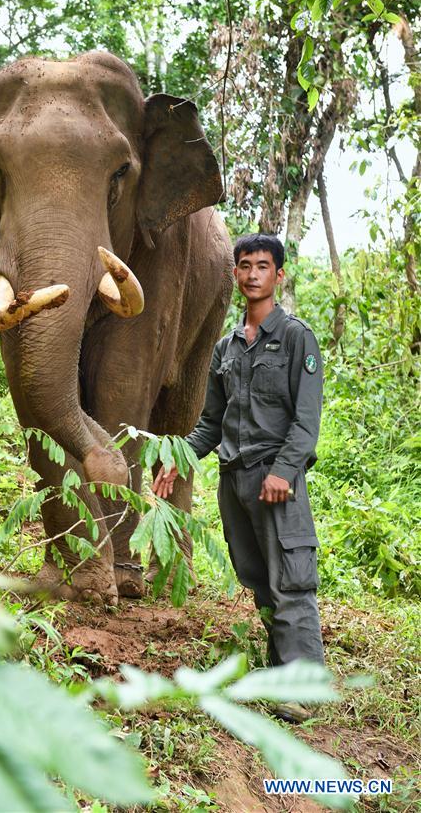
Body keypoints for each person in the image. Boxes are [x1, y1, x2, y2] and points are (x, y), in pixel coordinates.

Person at [153, 234, 324, 721]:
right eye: (245, 265)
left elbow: (306, 421)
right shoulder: (227, 346)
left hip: (277, 483)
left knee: (291, 579)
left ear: (279, 275)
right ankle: (281, 673)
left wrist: (284, 472)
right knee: (259, 580)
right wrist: (179, 457)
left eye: (263, 266)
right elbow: (211, 422)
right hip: (236, 483)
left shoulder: (296, 338)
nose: (253, 274)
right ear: (235, 274)